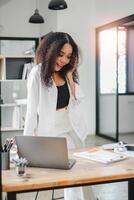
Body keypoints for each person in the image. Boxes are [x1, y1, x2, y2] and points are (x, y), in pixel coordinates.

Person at [24, 32, 96, 200]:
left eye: (69, 56)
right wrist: (26, 146)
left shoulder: (66, 71)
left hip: (72, 129)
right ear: (50, 50)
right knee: (68, 175)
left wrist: (70, 76)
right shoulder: (37, 73)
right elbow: (31, 110)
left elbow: (77, 99)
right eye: (61, 54)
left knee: (82, 172)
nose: (64, 60)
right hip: (51, 132)